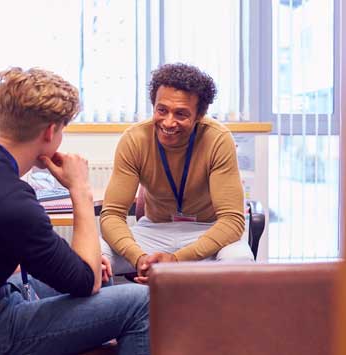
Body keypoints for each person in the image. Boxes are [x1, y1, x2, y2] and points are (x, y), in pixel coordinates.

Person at [0, 67, 149, 355]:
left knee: (106, 283)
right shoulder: (12, 200)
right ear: (50, 131)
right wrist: (80, 190)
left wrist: (86, 267)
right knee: (143, 301)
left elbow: (69, 268)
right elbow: (86, 283)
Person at [100, 63, 252, 284]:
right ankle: (118, 315)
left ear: (199, 115)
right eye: (162, 110)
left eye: (181, 114)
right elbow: (112, 214)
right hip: (154, 231)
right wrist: (139, 258)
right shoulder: (135, 139)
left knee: (240, 262)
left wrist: (177, 260)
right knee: (95, 255)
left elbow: (231, 221)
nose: (169, 122)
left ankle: (217, 319)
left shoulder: (218, 139)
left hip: (207, 231)